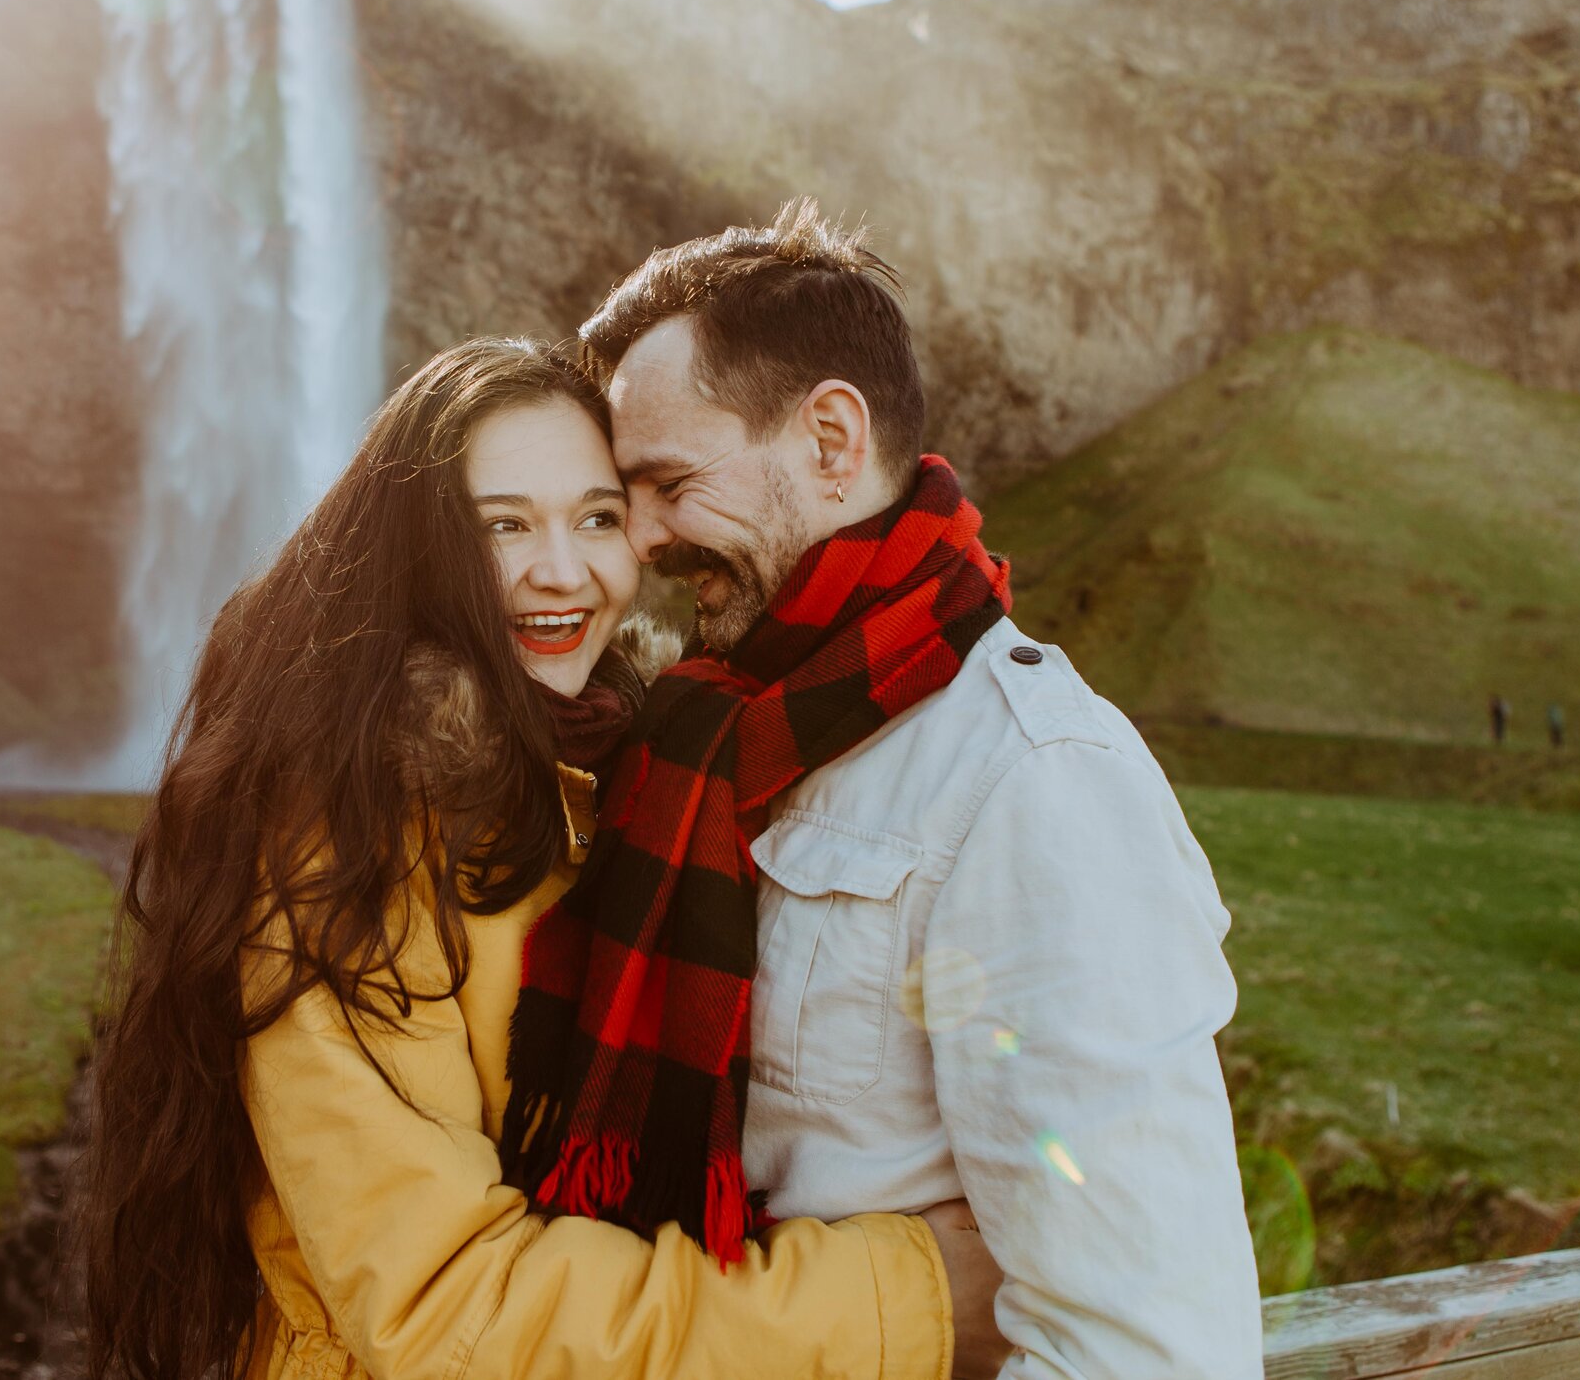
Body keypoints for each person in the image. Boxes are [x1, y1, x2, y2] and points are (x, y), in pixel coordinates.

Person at [82, 337, 1001, 1380]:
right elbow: (445, 1311)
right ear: (416, 551)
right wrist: (910, 1298)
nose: (562, 572)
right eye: (503, 525)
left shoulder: (635, 774)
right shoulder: (350, 836)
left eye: (597, 517)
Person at [523, 201, 1261, 1378]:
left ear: (828, 437)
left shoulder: (1034, 782)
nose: (640, 540)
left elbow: (1144, 1349)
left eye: (667, 481)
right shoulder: (704, 736)